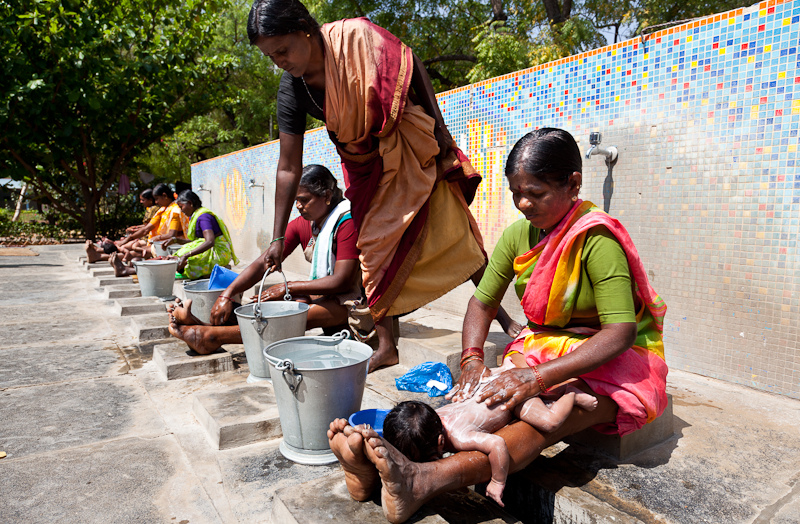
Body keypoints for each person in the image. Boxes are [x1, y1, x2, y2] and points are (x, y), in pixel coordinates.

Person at [327, 128, 669, 523]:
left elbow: (620, 332)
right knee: (485, 402)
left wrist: (536, 378)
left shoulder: (596, 239)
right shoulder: (517, 236)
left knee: (542, 423)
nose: (523, 204)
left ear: (574, 183)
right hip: (545, 345)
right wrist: (472, 361)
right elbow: (482, 301)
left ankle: (425, 479)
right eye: (515, 193)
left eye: (535, 194)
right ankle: (389, 463)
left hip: (611, 359)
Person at [245, 0, 522, 370]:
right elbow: (287, 166)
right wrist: (277, 238)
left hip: (410, 148)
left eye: (282, 50)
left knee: (456, 233)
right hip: (364, 168)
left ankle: (504, 320)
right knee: (372, 250)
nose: (279, 61)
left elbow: (412, 67)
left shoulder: (355, 38)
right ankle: (387, 346)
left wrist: (441, 136)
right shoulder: (292, 90)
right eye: (270, 56)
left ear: (304, 28)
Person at [168, 165, 368, 354]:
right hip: (324, 297)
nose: (298, 206)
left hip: (352, 303)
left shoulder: (346, 221)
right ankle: (203, 327)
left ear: (326, 196)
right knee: (276, 305)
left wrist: (286, 287)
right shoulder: (303, 224)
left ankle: (210, 336)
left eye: (304, 200)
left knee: (293, 316)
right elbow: (265, 261)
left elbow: (342, 281)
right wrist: (228, 294)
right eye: (295, 200)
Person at [382, 375, 598, 506]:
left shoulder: (459, 435)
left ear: (440, 443)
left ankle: (571, 396)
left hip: (514, 396)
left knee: (550, 422)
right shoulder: (436, 416)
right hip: (496, 386)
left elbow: (497, 444)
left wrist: (497, 481)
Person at [110, 183, 188, 277]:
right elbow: (146, 229)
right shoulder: (163, 209)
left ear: (165, 196)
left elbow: (172, 234)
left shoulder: (175, 210)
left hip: (174, 245)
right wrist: (129, 237)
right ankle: (114, 261)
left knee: (143, 252)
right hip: (163, 243)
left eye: (157, 199)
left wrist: (157, 238)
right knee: (140, 251)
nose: (155, 202)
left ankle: (123, 267)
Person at [163, 190, 238, 280]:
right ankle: (182, 269)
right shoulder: (195, 216)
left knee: (186, 259)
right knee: (178, 255)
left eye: (181, 207)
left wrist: (187, 255)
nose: (181, 210)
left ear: (190, 203)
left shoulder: (204, 217)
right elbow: (198, 241)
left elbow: (210, 241)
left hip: (218, 253)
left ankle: (186, 271)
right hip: (210, 248)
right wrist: (176, 240)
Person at [84, 189, 157, 263]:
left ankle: (98, 255)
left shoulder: (154, 208)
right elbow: (147, 225)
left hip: (149, 239)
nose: (141, 202)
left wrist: (131, 236)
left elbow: (146, 229)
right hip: (149, 238)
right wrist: (134, 228)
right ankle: (98, 252)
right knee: (124, 246)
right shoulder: (154, 208)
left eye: (143, 200)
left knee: (126, 248)